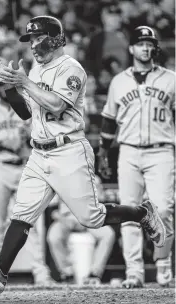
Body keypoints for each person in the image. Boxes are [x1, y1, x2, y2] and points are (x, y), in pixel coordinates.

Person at [0, 16, 165, 294]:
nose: (33, 45)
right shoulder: (35, 70)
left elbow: (57, 105)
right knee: (22, 213)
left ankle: (142, 212)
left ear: (56, 39)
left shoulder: (72, 68)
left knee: (92, 218)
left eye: (38, 38)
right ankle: (0, 272)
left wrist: (24, 82)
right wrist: (10, 86)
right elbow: (26, 112)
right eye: (31, 40)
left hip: (68, 150)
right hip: (39, 152)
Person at [98, 26, 175, 288]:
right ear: (131, 48)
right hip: (128, 151)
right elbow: (109, 121)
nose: (145, 47)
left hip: (162, 150)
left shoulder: (171, 79)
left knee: (163, 208)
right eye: (140, 43)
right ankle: (134, 272)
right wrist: (104, 153)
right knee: (129, 210)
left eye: (149, 43)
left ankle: (163, 266)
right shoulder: (119, 81)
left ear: (154, 48)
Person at [0, 81, 53, 284]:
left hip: (23, 165)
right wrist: (2, 143)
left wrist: (29, 137)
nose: (6, 90)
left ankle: (41, 274)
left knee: (28, 221)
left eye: (10, 87)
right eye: (2, 86)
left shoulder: (25, 107)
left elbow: (42, 135)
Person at [47, 175, 117, 285]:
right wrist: (62, 218)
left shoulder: (94, 178)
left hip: (89, 219)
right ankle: (67, 273)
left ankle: (94, 273)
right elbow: (52, 209)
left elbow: (101, 205)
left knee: (108, 234)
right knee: (53, 236)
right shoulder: (58, 177)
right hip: (66, 218)